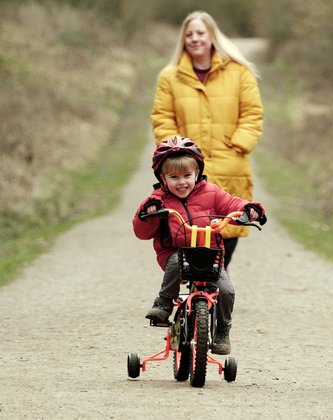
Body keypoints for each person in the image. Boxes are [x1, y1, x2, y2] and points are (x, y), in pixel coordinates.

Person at [151, 10, 263, 270]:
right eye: (189, 34)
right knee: (187, 234)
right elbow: (162, 116)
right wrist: (175, 150)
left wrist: (239, 143)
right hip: (185, 169)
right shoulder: (170, 76)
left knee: (228, 232)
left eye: (200, 33)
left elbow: (252, 113)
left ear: (212, 36)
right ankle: (191, 299)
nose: (195, 38)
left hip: (230, 164)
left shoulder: (239, 72)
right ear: (183, 39)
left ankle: (214, 294)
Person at [133, 136, 265, 355]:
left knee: (226, 290)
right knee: (177, 261)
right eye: (174, 177)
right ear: (162, 178)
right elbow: (141, 232)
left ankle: (222, 330)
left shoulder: (211, 192)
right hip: (173, 253)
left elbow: (232, 203)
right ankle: (164, 303)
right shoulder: (158, 200)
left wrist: (249, 209)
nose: (181, 182)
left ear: (197, 173)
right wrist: (148, 214)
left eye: (187, 175)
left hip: (209, 255)